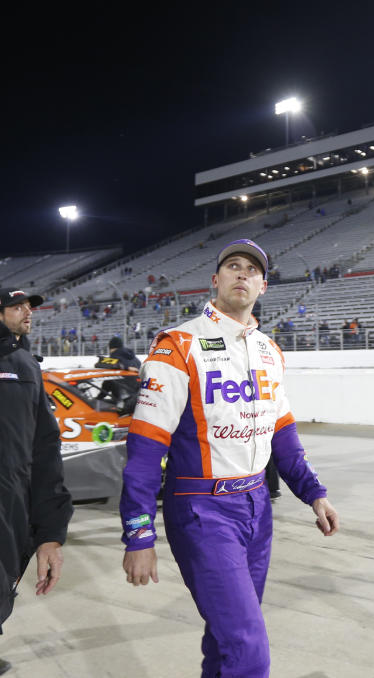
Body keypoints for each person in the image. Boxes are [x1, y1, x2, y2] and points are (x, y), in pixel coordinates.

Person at [119, 240, 339, 678]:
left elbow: (284, 435)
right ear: (216, 280)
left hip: (257, 507)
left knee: (225, 641)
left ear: (263, 286)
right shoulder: (178, 345)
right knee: (249, 649)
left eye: (252, 269)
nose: (242, 273)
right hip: (202, 509)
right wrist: (138, 534)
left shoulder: (269, 352)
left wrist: (315, 493)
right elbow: (145, 450)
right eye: (233, 266)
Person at [0, 288, 74, 668]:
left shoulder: (26, 367)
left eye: (29, 305)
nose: (27, 311)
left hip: (8, 508)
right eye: (16, 306)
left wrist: (50, 533)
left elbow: (46, 452)